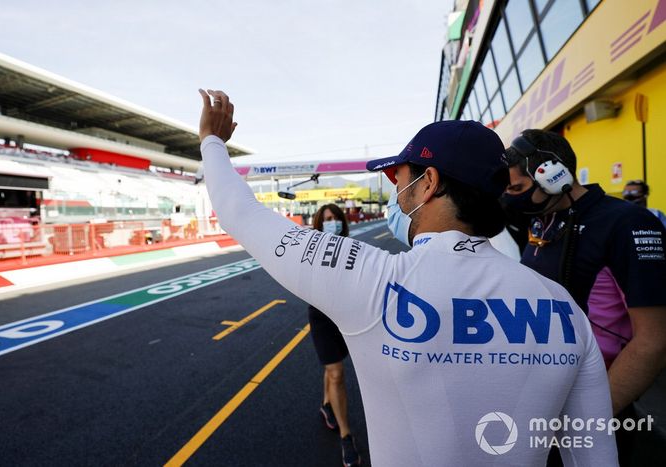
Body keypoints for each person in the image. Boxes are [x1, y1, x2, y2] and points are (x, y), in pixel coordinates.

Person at [198, 89, 617, 466]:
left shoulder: (374, 281)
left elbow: (241, 213)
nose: (396, 192)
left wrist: (212, 141)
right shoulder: (563, 306)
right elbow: (595, 457)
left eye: (399, 178)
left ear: (428, 183)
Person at [502, 129, 666, 465]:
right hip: (544, 401)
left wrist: (588, 418)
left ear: (553, 174)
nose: (511, 198)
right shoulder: (543, 221)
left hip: (595, 407)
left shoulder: (627, 223)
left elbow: (654, 340)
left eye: (517, 188)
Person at [308, 203, 360, 466]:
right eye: (327, 219)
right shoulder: (311, 250)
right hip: (321, 317)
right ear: (319, 223)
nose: (332, 222)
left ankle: (326, 404)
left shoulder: (352, 248)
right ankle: (346, 436)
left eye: (336, 218)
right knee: (337, 373)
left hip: (345, 316)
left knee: (332, 368)